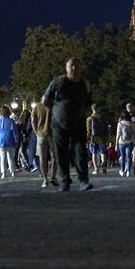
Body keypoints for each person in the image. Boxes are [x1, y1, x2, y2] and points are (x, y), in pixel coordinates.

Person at [41, 57, 94, 192]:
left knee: (81, 152)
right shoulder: (58, 82)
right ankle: (65, 181)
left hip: (79, 123)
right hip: (59, 124)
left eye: (77, 66)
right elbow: (44, 100)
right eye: (71, 66)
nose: (74, 68)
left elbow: (89, 102)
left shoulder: (84, 84)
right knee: (61, 153)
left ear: (81, 68)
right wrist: (56, 110)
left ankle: (83, 180)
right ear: (66, 68)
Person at [0, 105, 19, 178]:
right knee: (10, 156)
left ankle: (3, 173)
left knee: (2, 156)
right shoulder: (11, 121)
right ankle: (12, 171)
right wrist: (16, 139)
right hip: (10, 138)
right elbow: (15, 131)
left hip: (0, 139)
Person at [115, 108, 135, 177]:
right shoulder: (131, 123)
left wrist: (116, 143)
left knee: (123, 156)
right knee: (129, 157)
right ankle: (129, 171)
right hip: (130, 142)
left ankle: (122, 171)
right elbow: (134, 133)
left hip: (122, 142)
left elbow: (118, 134)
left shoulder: (120, 123)